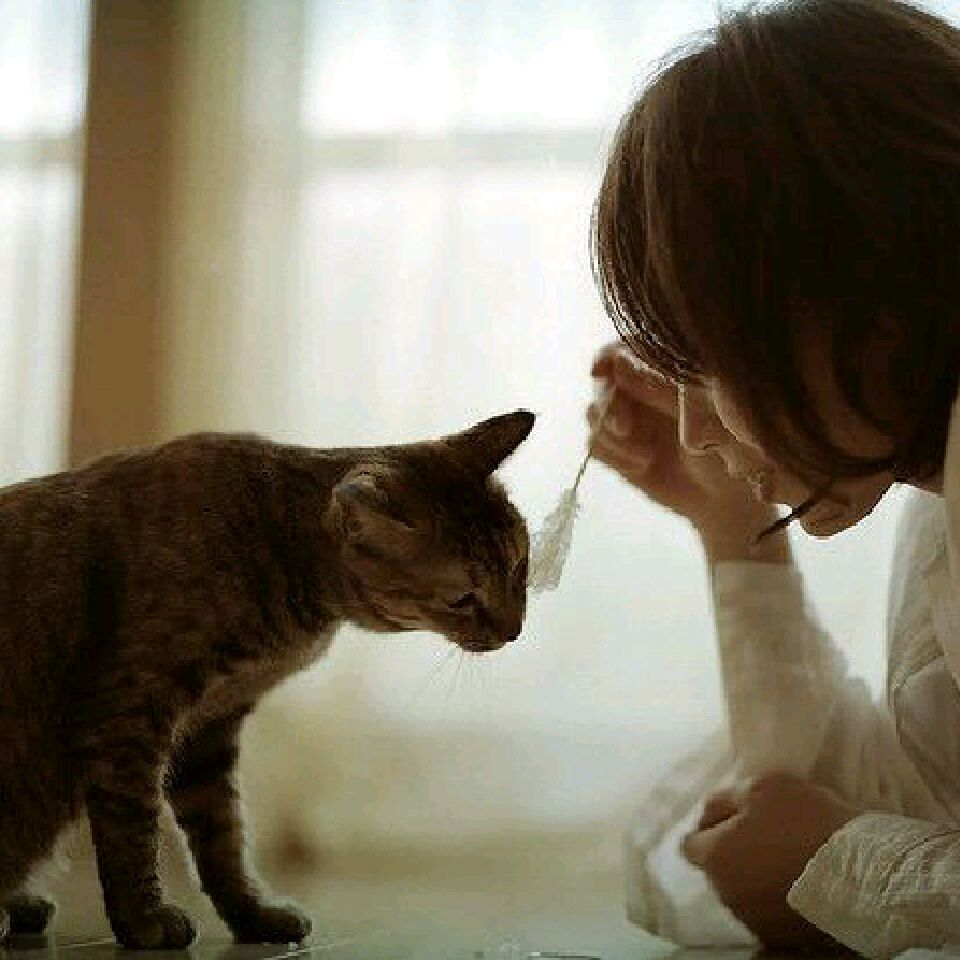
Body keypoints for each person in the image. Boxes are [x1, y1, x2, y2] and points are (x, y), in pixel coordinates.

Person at [587, 0, 960, 956]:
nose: (692, 428)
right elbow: (920, 795)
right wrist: (732, 531)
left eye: (707, 362)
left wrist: (846, 862)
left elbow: (864, 832)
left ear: (867, 301)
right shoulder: (937, 498)